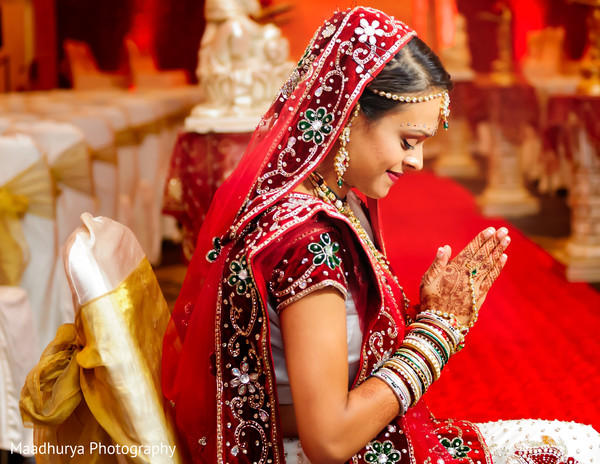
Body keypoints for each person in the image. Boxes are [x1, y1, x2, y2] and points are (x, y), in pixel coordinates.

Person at [161, 6, 600, 463]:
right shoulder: (310, 242)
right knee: (584, 449)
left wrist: (420, 313)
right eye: (408, 141)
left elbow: (284, 397)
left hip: (314, 436)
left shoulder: (328, 199)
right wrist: (436, 334)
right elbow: (328, 440)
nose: (417, 162)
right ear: (348, 115)